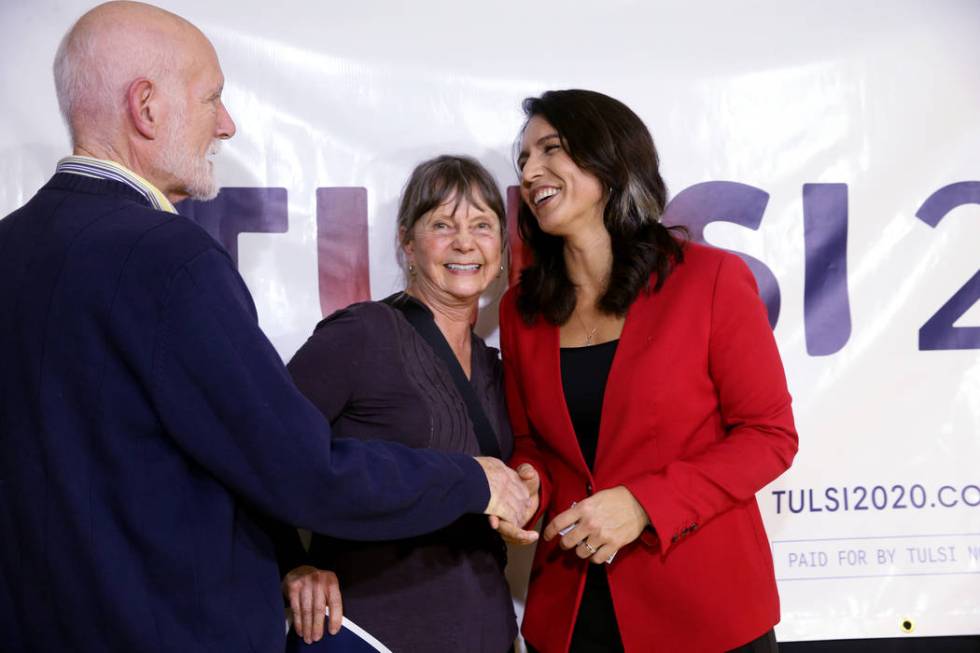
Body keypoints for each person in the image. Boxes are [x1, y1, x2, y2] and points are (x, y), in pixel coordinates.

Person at [0, 4, 531, 652]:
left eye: (482, 225)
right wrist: (473, 480)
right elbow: (297, 468)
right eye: (212, 98)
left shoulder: (11, 247)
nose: (226, 123)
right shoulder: (174, 258)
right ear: (146, 106)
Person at [497, 89, 799, 652]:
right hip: (568, 614)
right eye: (523, 159)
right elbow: (529, 443)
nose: (529, 170)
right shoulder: (521, 309)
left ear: (610, 161)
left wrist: (643, 504)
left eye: (550, 149)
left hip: (704, 612)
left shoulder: (710, 280)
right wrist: (529, 483)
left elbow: (769, 436)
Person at [276, 155, 536, 651]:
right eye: (443, 224)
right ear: (407, 241)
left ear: (501, 250)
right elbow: (261, 453)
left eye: (482, 225)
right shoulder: (361, 334)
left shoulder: (496, 366)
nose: (465, 242)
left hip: (486, 631)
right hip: (366, 632)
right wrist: (292, 562)